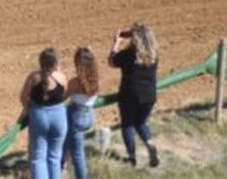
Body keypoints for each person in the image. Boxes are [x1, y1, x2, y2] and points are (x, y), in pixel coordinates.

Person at [109, 23, 160, 168]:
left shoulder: (130, 54)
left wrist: (116, 43)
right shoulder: (154, 54)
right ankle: (150, 144)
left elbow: (111, 61)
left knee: (127, 125)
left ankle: (132, 158)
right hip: (149, 96)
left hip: (129, 96)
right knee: (141, 123)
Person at [21, 47, 69, 179]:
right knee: (55, 156)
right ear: (55, 63)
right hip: (59, 117)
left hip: (39, 115)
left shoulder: (33, 77)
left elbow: (23, 98)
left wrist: (31, 108)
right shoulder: (61, 77)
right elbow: (65, 95)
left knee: (38, 157)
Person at [65, 46, 99, 179]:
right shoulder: (96, 81)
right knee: (75, 150)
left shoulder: (75, 82)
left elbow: (62, 97)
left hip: (76, 117)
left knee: (78, 156)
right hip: (88, 116)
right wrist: (91, 54)